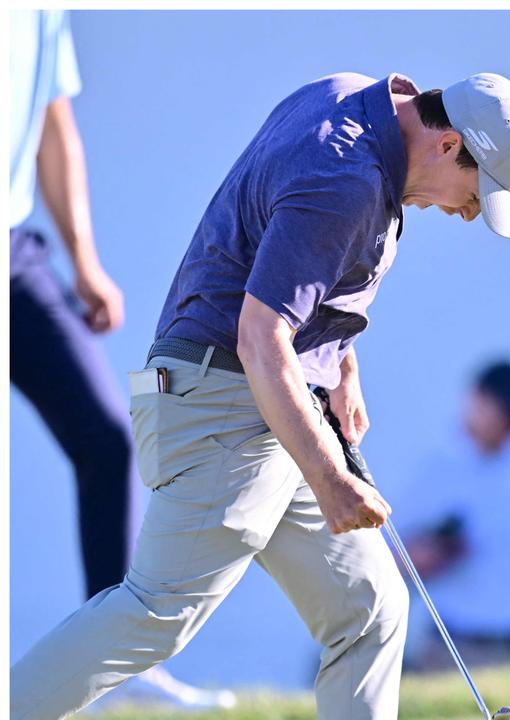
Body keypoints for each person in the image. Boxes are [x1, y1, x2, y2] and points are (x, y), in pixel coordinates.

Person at [11, 68, 510, 720]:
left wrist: (341, 365)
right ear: (447, 143)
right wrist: (329, 478)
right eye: (476, 192)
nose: (468, 213)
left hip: (263, 401)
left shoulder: (349, 93)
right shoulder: (346, 183)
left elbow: (292, 271)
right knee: (157, 612)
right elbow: (261, 336)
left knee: (372, 606)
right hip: (225, 403)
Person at [9, 9, 236, 710]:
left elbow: (53, 125)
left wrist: (84, 262)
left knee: (107, 441)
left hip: (12, 255)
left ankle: (112, 667)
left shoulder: (41, 13)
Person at [403, 360, 510, 671]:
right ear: (477, 399)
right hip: (453, 647)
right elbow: (396, 559)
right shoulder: (435, 470)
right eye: (507, 415)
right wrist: (438, 551)